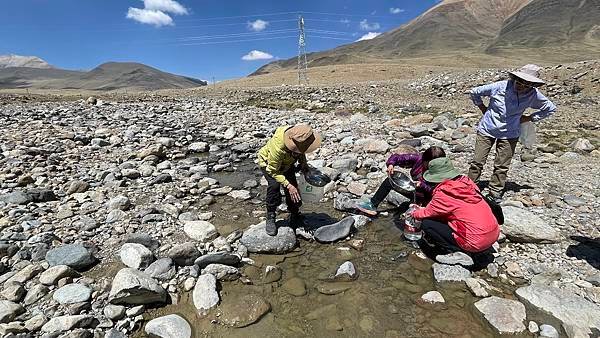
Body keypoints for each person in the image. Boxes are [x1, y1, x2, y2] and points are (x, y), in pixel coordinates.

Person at [467, 64, 557, 202]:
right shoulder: (500, 86)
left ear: (532, 84)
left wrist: (529, 118)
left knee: (501, 165)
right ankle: (470, 188)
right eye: (519, 81)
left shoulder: (533, 95)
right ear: (514, 78)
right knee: (477, 161)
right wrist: (482, 108)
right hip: (487, 129)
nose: (521, 85)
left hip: (510, 133)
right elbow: (475, 92)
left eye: (526, 84)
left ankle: (495, 191)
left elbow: (550, 108)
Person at [411, 157, 500, 255]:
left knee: (427, 224)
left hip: (475, 243)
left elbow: (426, 213)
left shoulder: (444, 193)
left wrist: (413, 213)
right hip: (493, 234)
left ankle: (457, 251)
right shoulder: (467, 182)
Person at [257, 124, 322, 236]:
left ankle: (295, 214)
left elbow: (302, 152)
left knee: (294, 188)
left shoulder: (299, 136)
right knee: (274, 186)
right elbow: (272, 171)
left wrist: (304, 166)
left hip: (287, 164)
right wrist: (288, 185)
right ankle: (271, 215)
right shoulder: (278, 148)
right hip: (269, 164)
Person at [355, 146, 446, 216]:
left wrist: (423, 186)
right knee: (389, 181)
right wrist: (391, 164)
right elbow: (397, 157)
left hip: (431, 199)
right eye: (429, 163)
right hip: (416, 191)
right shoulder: (418, 159)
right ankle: (373, 204)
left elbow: (438, 192)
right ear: (424, 160)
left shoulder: (445, 172)